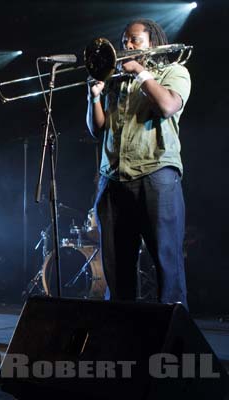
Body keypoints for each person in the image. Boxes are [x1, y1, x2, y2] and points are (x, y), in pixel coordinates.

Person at [86, 19, 191, 306]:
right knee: (117, 269)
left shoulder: (174, 71)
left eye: (135, 40)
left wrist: (142, 73)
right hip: (114, 179)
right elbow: (98, 129)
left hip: (156, 174)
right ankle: (121, 333)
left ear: (152, 42)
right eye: (124, 42)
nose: (127, 47)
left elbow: (167, 106)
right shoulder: (116, 82)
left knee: (166, 262)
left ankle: (174, 336)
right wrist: (93, 97)